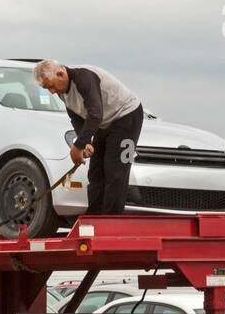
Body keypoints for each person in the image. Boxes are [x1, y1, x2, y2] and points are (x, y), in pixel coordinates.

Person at [34, 59, 144, 215]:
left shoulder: (84, 79)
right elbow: (77, 117)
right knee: (95, 171)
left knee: (116, 170)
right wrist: (86, 142)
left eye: (51, 86)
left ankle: (111, 220)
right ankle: (95, 216)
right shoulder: (62, 91)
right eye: (47, 88)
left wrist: (78, 146)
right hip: (104, 122)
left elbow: (95, 114)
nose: (51, 92)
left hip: (128, 117)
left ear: (60, 74)